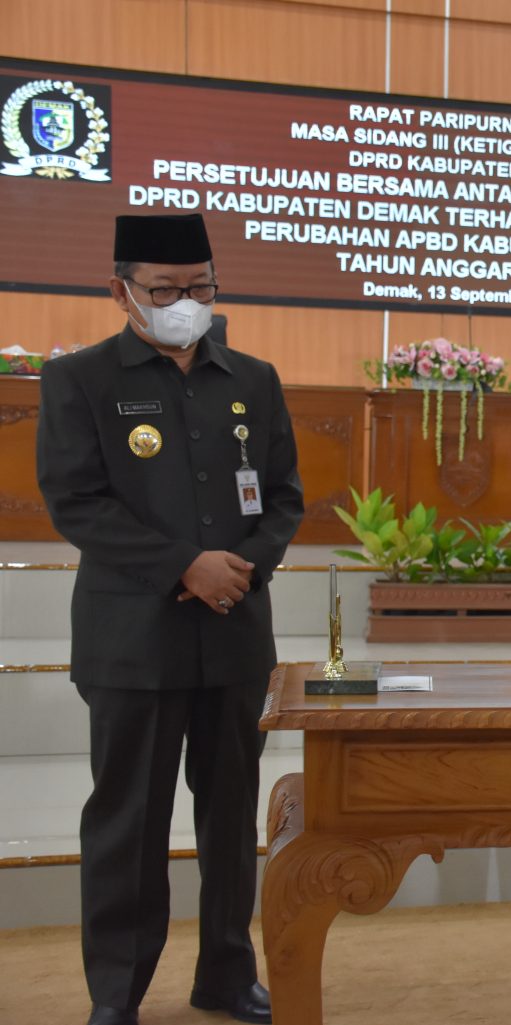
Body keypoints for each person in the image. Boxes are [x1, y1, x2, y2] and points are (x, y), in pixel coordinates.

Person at [36, 214, 303, 1025]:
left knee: (229, 818)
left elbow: (283, 496)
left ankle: (226, 973)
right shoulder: (79, 379)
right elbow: (77, 500)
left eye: (199, 287)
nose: (184, 302)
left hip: (234, 633)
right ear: (121, 292)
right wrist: (184, 564)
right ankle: (116, 992)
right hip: (132, 642)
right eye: (164, 290)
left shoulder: (253, 378)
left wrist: (242, 565)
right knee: (129, 821)